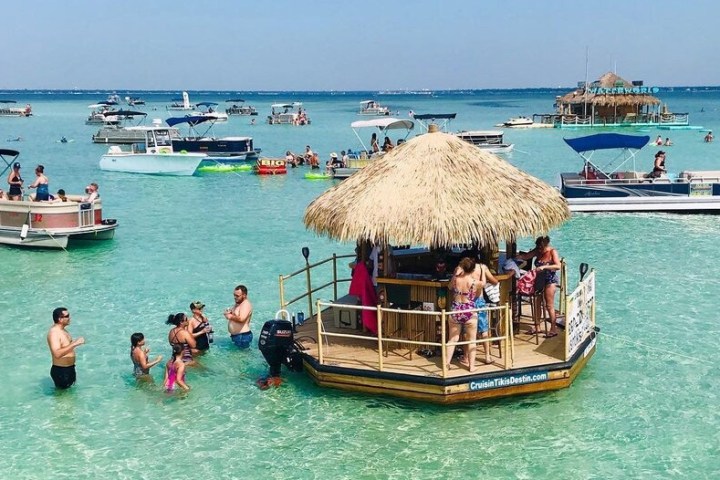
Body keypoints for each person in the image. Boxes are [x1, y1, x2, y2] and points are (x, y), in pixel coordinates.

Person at [515, 236, 562, 338]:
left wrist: (545, 266)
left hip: (550, 280)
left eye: (541, 247)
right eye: (538, 247)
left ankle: (553, 329)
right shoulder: (537, 251)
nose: (539, 249)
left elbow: (558, 266)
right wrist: (516, 257)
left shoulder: (552, 252)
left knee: (549, 305)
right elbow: (526, 256)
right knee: (537, 303)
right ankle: (537, 327)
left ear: (546, 245)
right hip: (538, 280)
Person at [445, 257, 482, 372]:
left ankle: (446, 364)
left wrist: (455, 274)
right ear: (472, 269)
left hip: (456, 309)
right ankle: (471, 366)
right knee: (472, 340)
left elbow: (449, 287)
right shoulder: (476, 283)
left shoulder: (456, 279)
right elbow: (477, 295)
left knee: (452, 339)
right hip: (469, 310)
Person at [47, 307, 85, 389]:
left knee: (68, 397)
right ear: (60, 319)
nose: (69, 318)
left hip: (69, 369)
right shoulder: (54, 333)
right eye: (67, 316)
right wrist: (75, 343)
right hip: (61, 371)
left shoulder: (63, 331)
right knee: (63, 398)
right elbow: (57, 354)